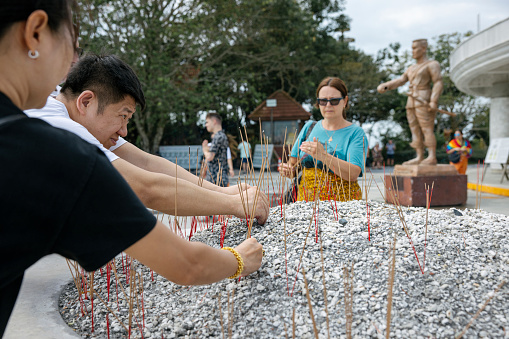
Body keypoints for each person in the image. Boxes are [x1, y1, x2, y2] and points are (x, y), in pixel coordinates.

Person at [0, 2, 262, 336]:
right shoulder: (56, 147)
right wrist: (240, 254)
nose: (69, 68)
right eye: (72, 45)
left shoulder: (46, 124)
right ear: (35, 32)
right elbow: (181, 257)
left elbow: (147, 163)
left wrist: (225, 191)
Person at [25, 54, 268, 222]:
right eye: (123, 116)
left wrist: (225, 192)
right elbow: (145, 188)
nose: (124, 131)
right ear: (86, 101)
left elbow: (146, 163)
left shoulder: (64, 109)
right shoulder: (59, 125)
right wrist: (233, 205)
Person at [279, 76, 367, 202]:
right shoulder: (309, 127)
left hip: (342, 202)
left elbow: (353, 174)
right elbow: (293, 165)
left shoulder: (356, 133)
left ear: (345, 101)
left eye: (334, 100)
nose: (328, 105)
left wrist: (323, 156)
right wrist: (288, 170)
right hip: (306, 201)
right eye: (323, 101)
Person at [377, 39, 443, 165]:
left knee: (426, 128)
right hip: (411, 100)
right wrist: (387, 85)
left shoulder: (432, 64)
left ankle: (431, 156)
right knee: (414, 128)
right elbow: (401, 80)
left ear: (423, 49)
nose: (412, 51)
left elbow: (438, 82)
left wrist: (434, 100)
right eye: (412, 48)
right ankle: (419, 156)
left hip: (424, 98)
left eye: (415, 48)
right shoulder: (411, 68)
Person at [202, 112, 229, 187]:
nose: (206, 125)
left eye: (207, 122)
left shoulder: (218, 137)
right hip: (217, 178)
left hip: (217, 179)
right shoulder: (220, 136)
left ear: (214, 121)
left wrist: (204, 149)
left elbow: (210, 157)